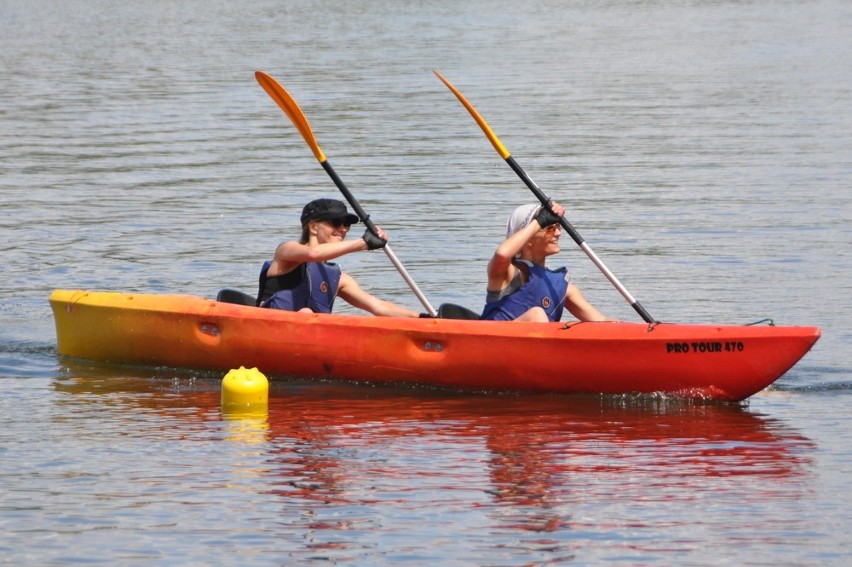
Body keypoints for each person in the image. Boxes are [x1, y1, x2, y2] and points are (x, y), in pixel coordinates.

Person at [257, 198, 419, 318]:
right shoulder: (286, 251)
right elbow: (313, 254)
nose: (343, 229)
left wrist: (422, 317)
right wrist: (363, 243)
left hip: (312, 337)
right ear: (313, 227)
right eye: (335, 223)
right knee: (306, 313)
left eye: (346, 224)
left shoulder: (339, 279)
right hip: (267, 328)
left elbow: (377, 306)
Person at [480, 201, 609, 323]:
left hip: (534, 343)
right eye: (549, 228)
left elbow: (601, 321)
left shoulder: (564, 288)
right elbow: (502, 253)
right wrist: (539, 222)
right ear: (527, 238)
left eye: (557, 226)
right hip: (491, 343)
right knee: (536, 315)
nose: (558, 233)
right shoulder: (505, 273)